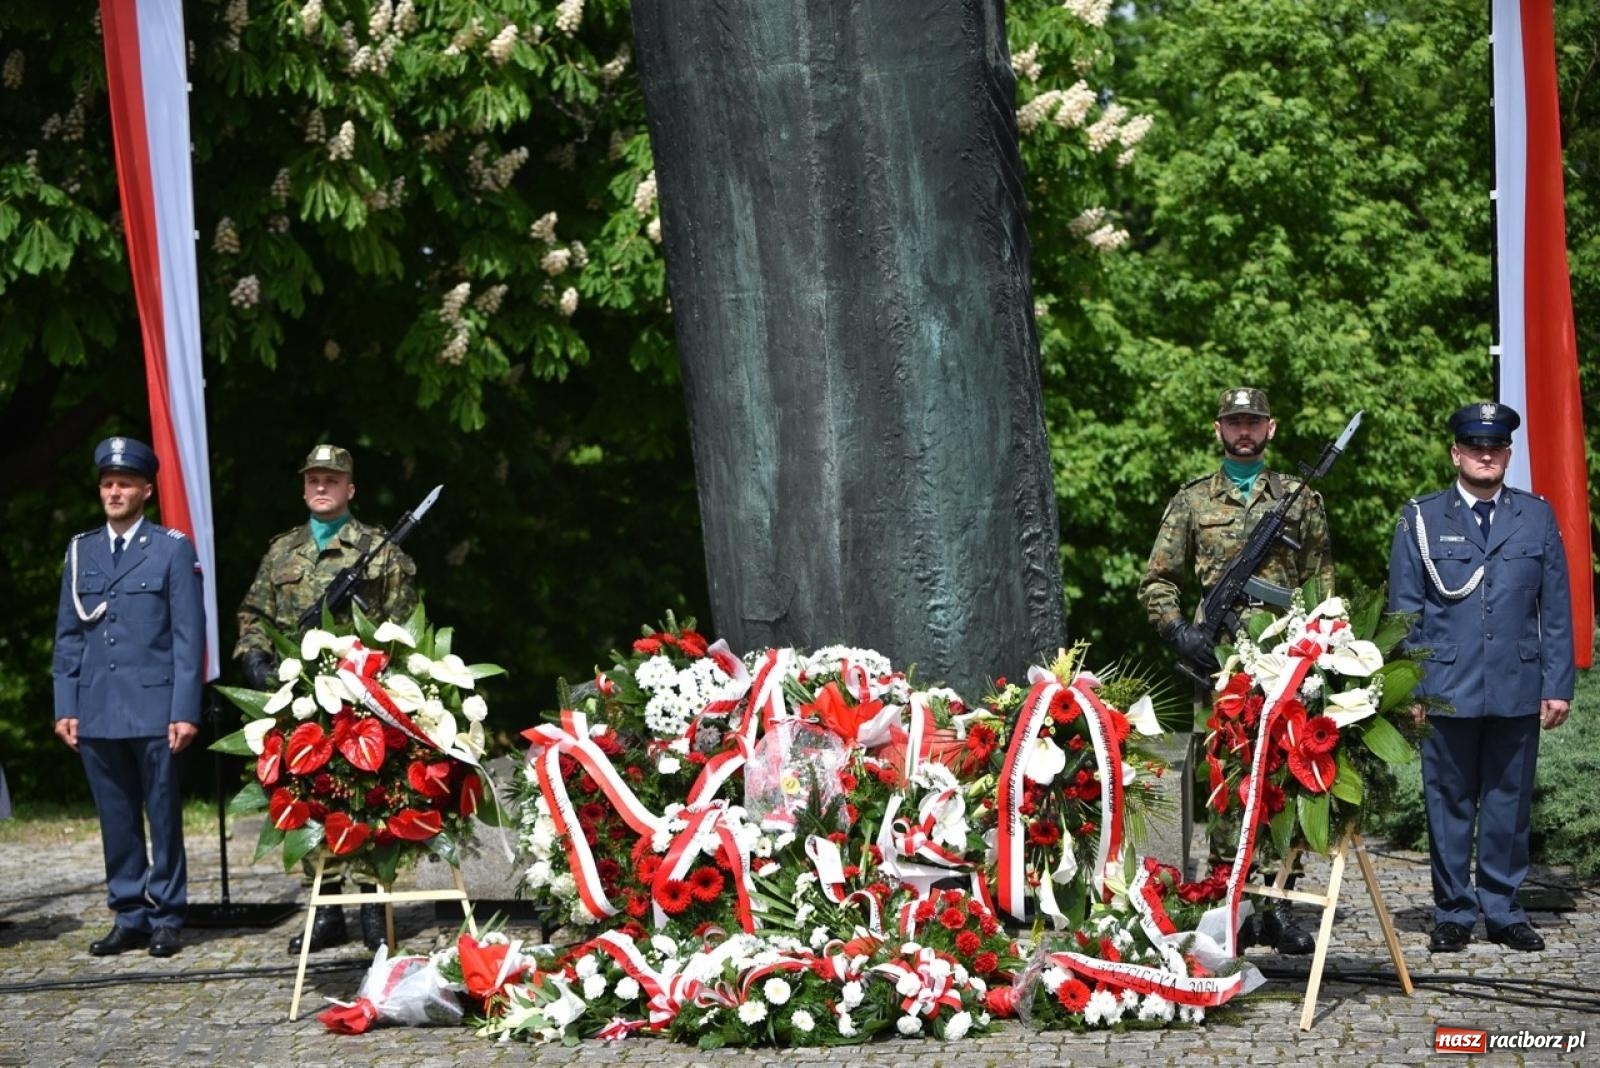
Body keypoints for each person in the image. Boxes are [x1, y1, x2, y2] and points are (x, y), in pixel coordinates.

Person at [1138, 386, 1335, 955]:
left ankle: (1280, 905)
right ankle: (1232, 904)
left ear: (1270, 430)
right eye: (1234, 423)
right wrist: (1179, 631)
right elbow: (1157, 580)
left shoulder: (1300, 501)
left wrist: (1323, 650)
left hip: (1286, 662)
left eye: (1253, 422)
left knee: (1286, 778)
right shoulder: (1193, 501)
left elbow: (1321, 581)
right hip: (1219, 664)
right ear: (1218, 430)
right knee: (1228, 783)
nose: (1243, 431)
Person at [1387, 402, 1573, 954]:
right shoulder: (1421, 519)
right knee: (1447, 801)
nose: (1485, 455)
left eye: (1494, 448)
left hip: (1516, 682)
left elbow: (1556, 608)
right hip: (1444, 686)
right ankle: (1452, 911)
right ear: (1456, 453)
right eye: (1474, 446)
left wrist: (1557, 683)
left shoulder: (1536, 517)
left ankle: (1503, 909)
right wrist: (1409, 688)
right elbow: (1404, 611)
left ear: (1508, 455)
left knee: (1508, 802)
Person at [235, 444, 418, 954]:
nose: (321, 487)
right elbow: (253, 613)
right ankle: (326, 908)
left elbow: (405, 627)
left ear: (350, 490)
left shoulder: (378, 550)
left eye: (332, 480)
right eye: (314, 479)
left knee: (365, 798)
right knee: (308, 800)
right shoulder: (282, 551)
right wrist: (254, 657)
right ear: (303, 487)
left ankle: (370, 908)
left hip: (361, 698)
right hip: (296, 696)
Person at [52, 437, 206, 958]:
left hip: (153, 706)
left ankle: (166, 913)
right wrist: (65, 704)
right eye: (106, 484)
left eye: (123, 484)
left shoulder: (170, 548)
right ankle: (129, 913)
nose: (113, 492)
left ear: (145, 489)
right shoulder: (82, 550)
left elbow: (189, 637)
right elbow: (69, 635)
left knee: (162, 815)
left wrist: (185, 709)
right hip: (97, 706)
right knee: (114, 816)